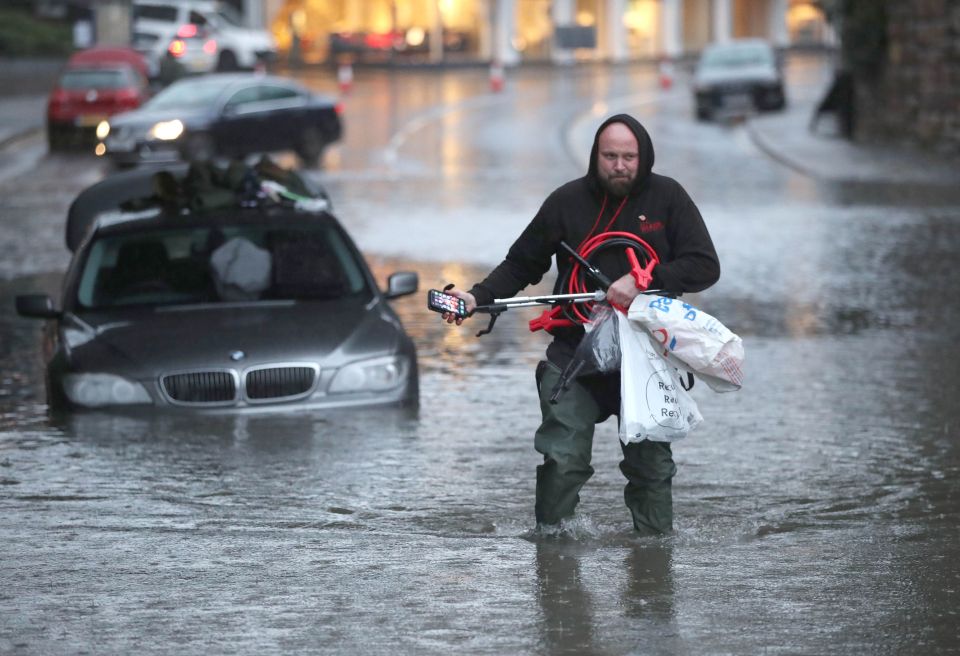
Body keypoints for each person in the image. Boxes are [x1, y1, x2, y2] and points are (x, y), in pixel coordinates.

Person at [440, 114, 720, 535]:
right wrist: (475, 297)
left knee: (651, 469)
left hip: (644, 358)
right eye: (611, 156)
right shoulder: (565, 202)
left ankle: (654, 559)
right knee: (562, 459)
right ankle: (551, 555)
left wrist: (645, 279)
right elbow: (521, 264)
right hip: (573, 356)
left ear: (643, 158)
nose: (620, 165)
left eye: (629, 157)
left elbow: (704, 266)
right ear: (595, 156)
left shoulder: (669, 198)